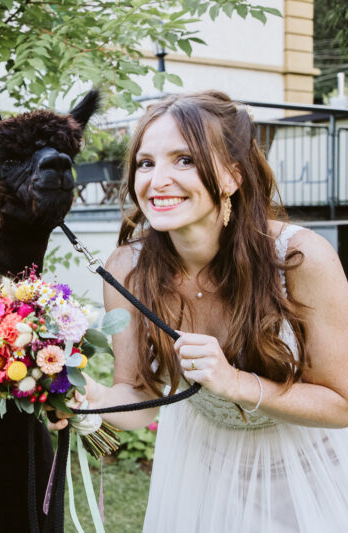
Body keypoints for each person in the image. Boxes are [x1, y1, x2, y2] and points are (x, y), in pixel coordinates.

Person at [84, 92, 348, 532]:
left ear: (231, 176)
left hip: (306, 467)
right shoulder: (127, 270)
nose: (157, 180)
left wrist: (235, 383)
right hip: (201, 467)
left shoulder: (301, 258)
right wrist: (90, 401)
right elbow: (137, 397)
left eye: (184, 160)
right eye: (146, 163)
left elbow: (342, 404)